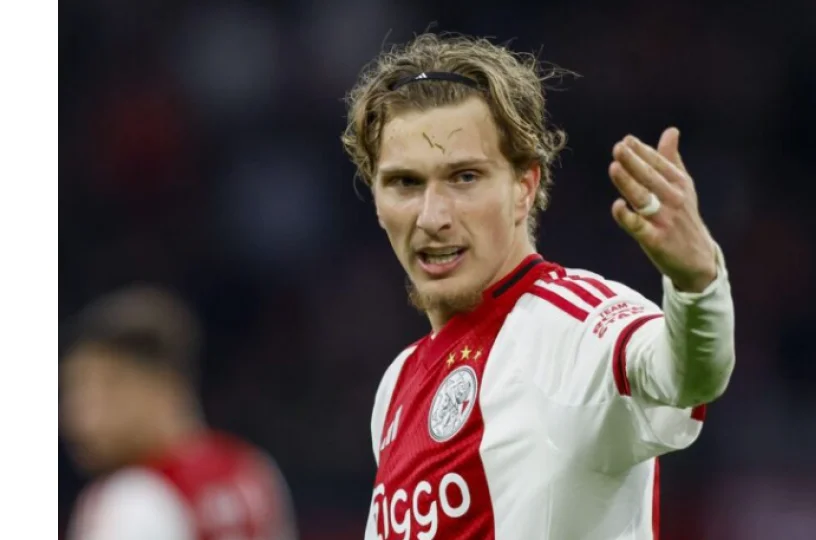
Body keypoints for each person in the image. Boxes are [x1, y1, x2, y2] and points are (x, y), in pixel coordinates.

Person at [341, 33, 736, 539]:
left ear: (524, 187)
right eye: (405, 183)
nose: (432, 217)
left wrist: (697, 286)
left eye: (464, 177)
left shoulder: (574, 327)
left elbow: (688, 374)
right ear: (376, 200)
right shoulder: (397, 384)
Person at [60, 286, 298, 540]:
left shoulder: (130, 499)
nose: (79, 417)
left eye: (106, 389)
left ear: (163, 385)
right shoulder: (254, 469)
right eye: (71, 393)